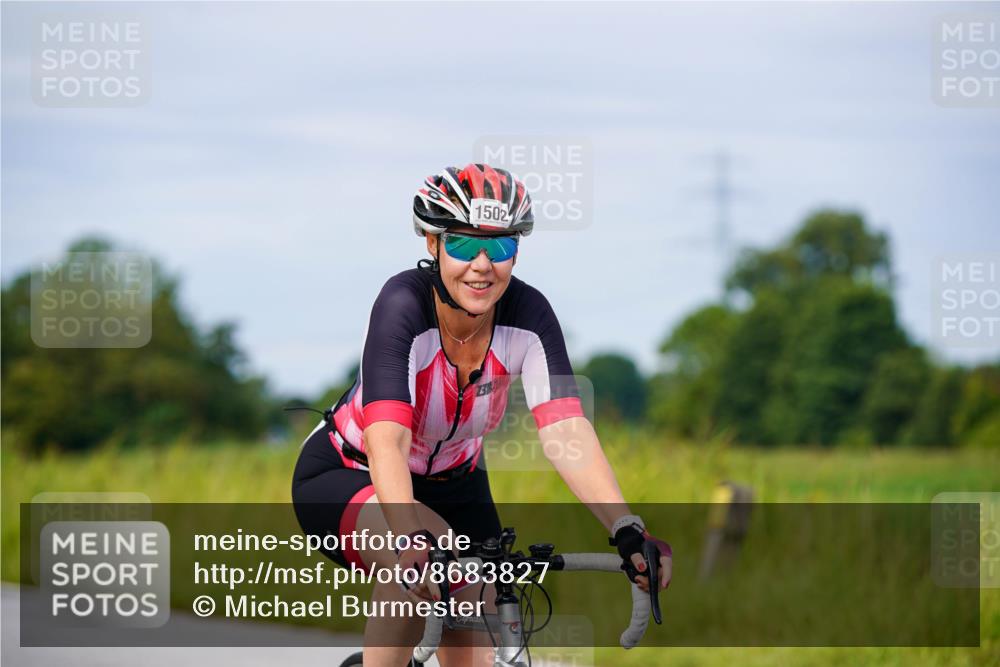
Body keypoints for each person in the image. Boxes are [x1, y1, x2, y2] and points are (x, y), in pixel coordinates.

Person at [292, 163, 671, 666]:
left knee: (486, 619)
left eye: (501, 247)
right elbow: (389, 440)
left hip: (457, 483)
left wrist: (627, 526)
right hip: (349, 471)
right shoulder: (403, 304)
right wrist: (407, 535)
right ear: (433, 244)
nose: (482, 265)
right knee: (428, 564)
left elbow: (565, 431)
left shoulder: (529, 316)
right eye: (465, 245)